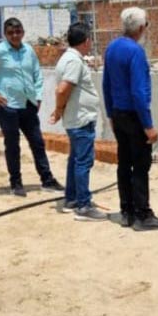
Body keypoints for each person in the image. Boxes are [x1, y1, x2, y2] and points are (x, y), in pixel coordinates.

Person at [0, 17, 64, 197]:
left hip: (28, 105)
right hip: (8, 107)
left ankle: (47, 180)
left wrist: (38, 96)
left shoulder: (28, 50)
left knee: (37, 143)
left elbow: (37, 74)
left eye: (18, 32)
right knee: (13, 146)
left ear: (23, 32)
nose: (15, 35)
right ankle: (16, 183)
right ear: (5, 34)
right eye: (10, 32)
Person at [102, 7, 158, 231]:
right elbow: (139, 92)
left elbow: (106, 84)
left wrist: (110, 114)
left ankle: (127, 211)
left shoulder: (111, 48)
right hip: (134, 116)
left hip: (119, 114)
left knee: (124, 163)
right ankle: (143, 214)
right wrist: (148, 125)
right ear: (141, 28)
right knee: (141, 165)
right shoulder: (136, 52)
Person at [50, 22, 108, 222]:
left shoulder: (69, 58)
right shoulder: (74, 61)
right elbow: (62, 90)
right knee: (83, 161)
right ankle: (83, 206)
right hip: (80, 119)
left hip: (77, 118)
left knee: (76, 159)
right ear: (86, 41)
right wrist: (58, 110)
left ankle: (72, 199)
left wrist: (60, 110)